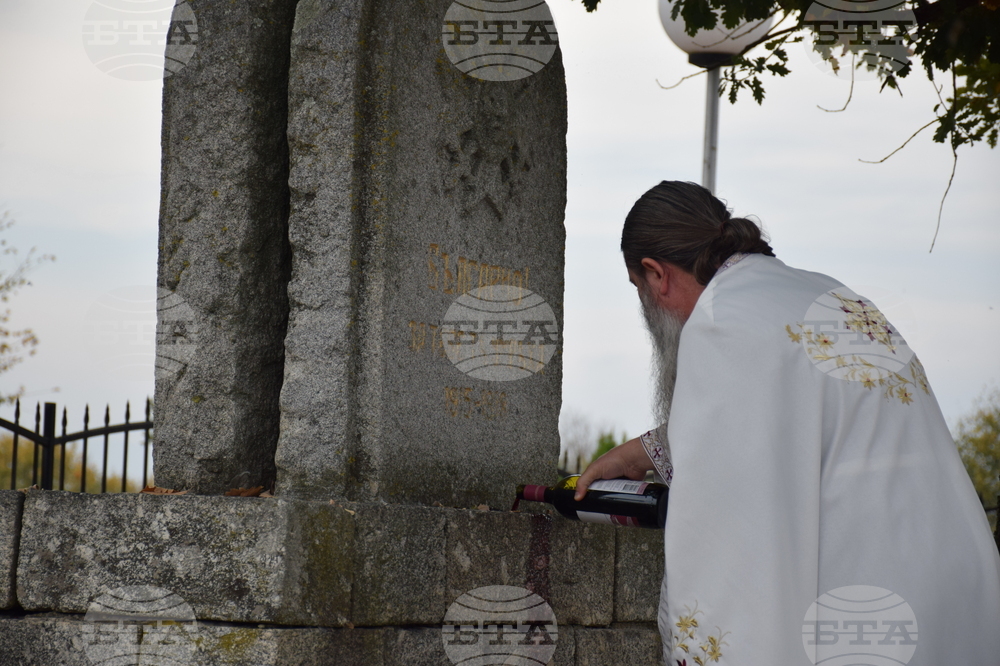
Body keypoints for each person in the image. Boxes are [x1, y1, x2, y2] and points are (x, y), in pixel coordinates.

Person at [575, 181, 1000, 665]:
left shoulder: (722, 321)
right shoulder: (828, 295)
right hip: (955, 602)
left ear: (657, 274)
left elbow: (729, 548)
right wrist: (649, 451)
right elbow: (798, 423)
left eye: (639, 291)